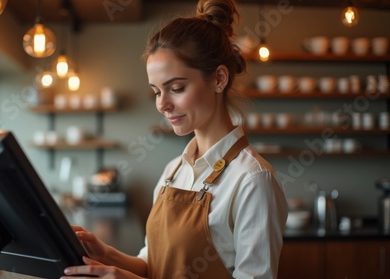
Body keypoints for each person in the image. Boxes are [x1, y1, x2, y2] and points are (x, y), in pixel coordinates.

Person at [61, 0, 288, 278]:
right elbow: (153, 265)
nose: (162, 104)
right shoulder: (174, 171)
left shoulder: (253, 180)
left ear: (218, 79)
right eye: (157, 91)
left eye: (176, 88)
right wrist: (106, 254)